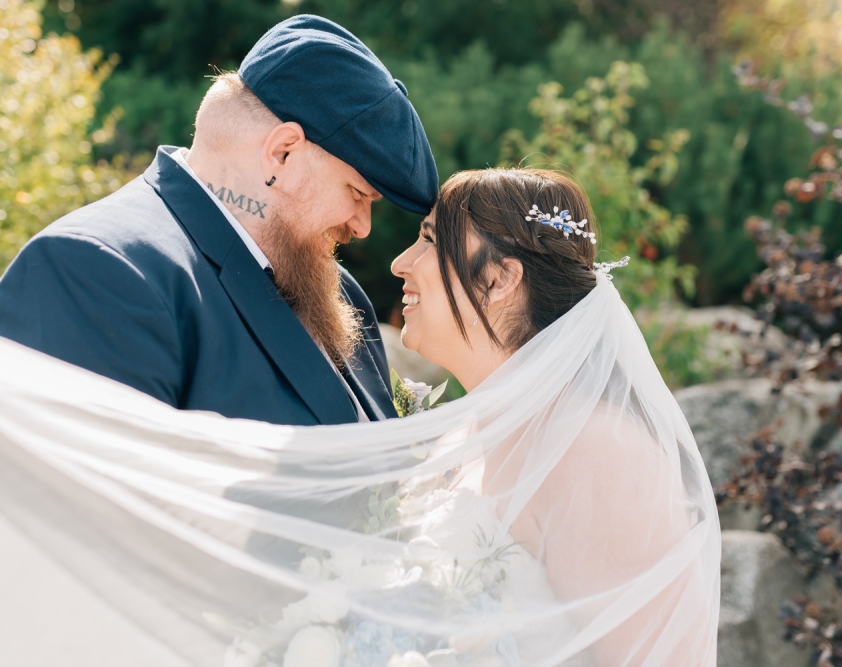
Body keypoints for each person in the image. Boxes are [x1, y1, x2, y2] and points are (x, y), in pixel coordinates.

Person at [0, 168, 720, 666]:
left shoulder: (596, 449)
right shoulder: (462, 437)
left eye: (432, 239)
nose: (401, 261)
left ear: (499, 280)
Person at [0, 15, 438, 426]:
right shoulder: (95, 272)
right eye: (358, 194)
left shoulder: (341, 295)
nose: (362, 226)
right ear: (282, 152)